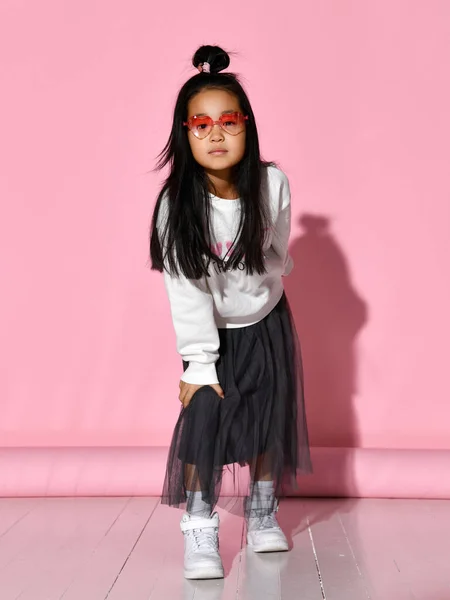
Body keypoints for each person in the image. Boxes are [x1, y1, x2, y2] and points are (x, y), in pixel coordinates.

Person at [149, 44, 313, 580]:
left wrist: (269, 273)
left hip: (266, 321)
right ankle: (200, 526)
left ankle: (263, 512)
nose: (216, 135)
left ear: (248, 126)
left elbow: (278, 249)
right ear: (184, 134)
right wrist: (198, 362)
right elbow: (187, 289)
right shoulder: (178, 206)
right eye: (200, 125)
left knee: (268, 415)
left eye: (228, 121)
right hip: (212, 331)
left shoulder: (271, 184)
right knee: (204, 423)